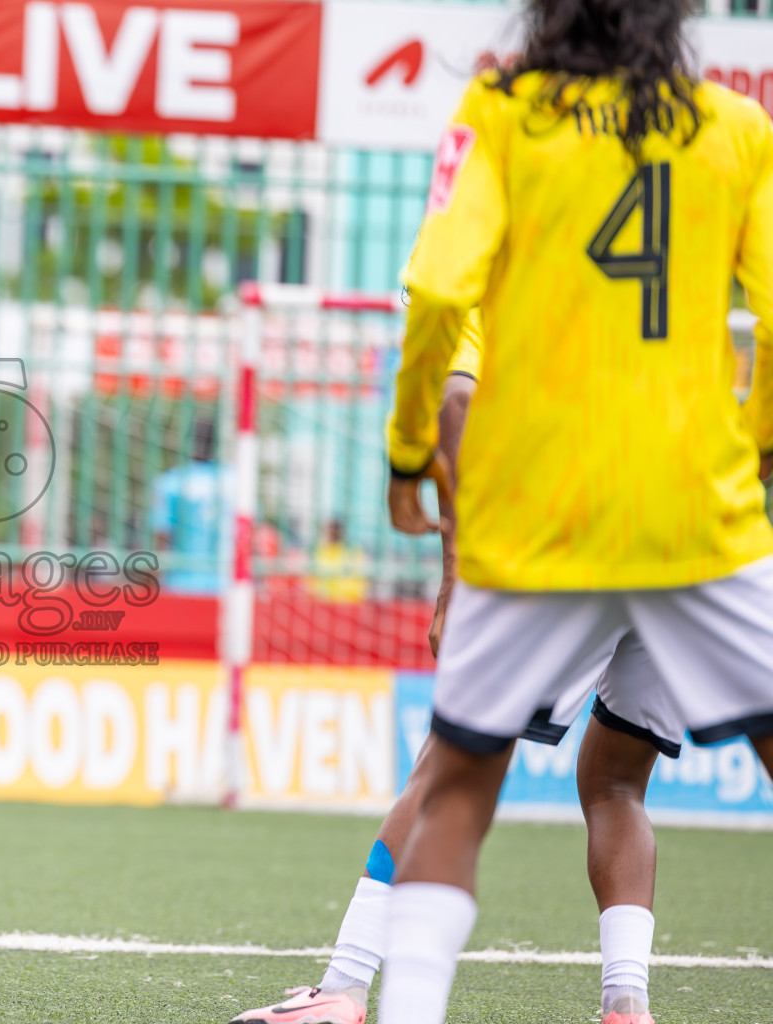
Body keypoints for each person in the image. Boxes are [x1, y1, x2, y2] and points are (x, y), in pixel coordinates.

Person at [381, 2, 773, 1022]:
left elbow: (436, 288)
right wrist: (762, 444)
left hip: (539, 518)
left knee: (459, 780)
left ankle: (397, 1004)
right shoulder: (737, 131)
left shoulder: (504, 112)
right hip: (698, 514)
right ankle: (625, 1000)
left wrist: (408, 448)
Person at [232, 313, 688, 1024]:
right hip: (688, 542)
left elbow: (456, 400)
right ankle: (627, 1004)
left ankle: (345, 987)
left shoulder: (484, 243)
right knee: (617, 783)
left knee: (448, 767)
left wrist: (454, 576)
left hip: (575, 535)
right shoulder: (669, 246)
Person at [151, 415, 229, 594]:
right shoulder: (236, 482)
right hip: (228, 584)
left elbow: (162, 537)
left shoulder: (171, 482)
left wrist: (156, 581)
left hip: (181, 583)